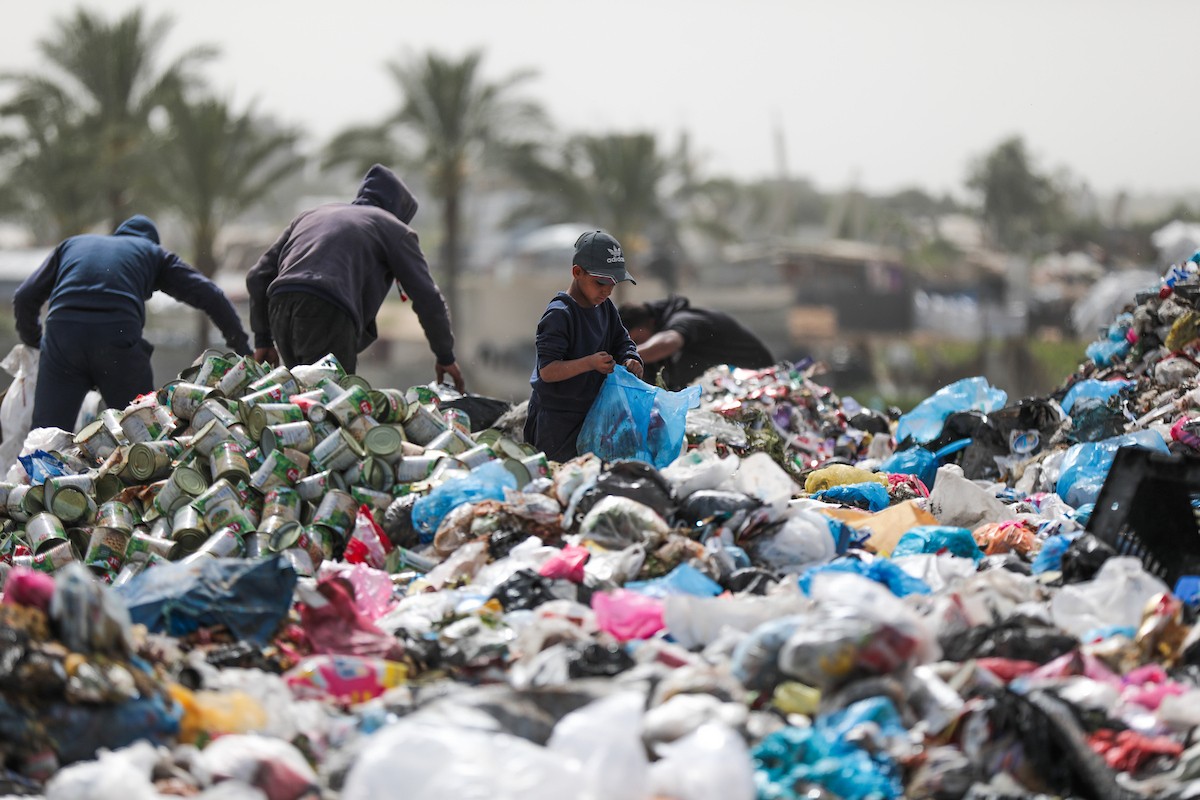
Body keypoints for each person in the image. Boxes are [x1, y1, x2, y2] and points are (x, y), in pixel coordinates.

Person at [13, 214, 252, 431]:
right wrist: (243, 349)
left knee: (45, 439)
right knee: (143, 433)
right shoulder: (153, 253)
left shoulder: (72, 245)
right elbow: (212, 296)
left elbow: (24, 297)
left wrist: (36, 342)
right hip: (116, 339)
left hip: (62, 339)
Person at [245, 163, 464, 391]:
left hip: (279, 307)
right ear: (400, 212)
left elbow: (257, 276)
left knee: (301, 400)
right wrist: (445, 356)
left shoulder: (311, 216)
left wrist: (263, 339)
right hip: (327, 311)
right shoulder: (393, 228)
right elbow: (427, 297)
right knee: (333, 408)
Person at [525, 230, 643, 462]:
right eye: (601, 282)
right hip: (557, 422)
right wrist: (589, 363)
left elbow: (623, 341)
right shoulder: (559, 314)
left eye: (613, 283)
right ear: (577, 272)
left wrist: (632, 358)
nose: (607, 291)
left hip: (593, 415)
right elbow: (548, 371)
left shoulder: (606, 309)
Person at [618, 294, 774, 390]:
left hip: (761, 382)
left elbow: (668, 342)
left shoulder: (685, 320)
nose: (636, 346)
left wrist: (624, 357)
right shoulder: (654, 362)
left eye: (637, 341)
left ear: (651, 323)